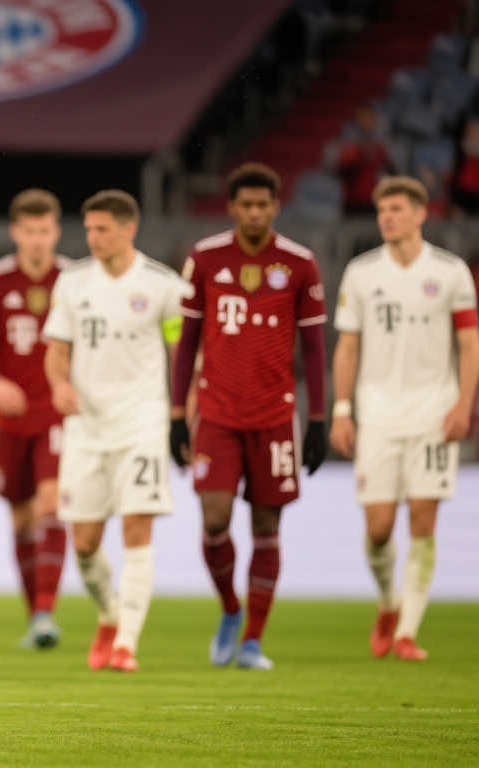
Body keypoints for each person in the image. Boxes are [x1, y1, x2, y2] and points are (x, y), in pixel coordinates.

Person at [170, 163, 329, 670]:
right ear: (232, 207)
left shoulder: (299, 264)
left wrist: (319, 418)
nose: (255, 213)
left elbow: (314, 348)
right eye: (247, 205)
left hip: (274, 416)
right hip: (217, 414)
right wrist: (176, 413)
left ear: (276, 207)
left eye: (263, 205)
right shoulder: (205, 258)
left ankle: (254, 641)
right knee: (215, 519)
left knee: (266, 525)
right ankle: (230, 610)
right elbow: (187, 341)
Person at [330, 176, 478, 661]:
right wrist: (343, 409)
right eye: (382, 210)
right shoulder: (361, 273)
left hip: (434, 411)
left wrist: (464, 404)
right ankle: (388, 603)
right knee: (377, 528)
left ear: (420, 214)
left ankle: (408, 632)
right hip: (377, 414)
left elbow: (469, 344)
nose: (387, 218)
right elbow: (347, 347)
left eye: (396, 209)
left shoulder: (451, 272)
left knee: (423, 518)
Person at [43, 189, 189, 672]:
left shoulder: (163, 286)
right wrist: (59, 385)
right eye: (89, 228)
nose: (93, 237)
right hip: (86, 426)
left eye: (102, 229)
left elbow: (181, 354)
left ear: (129, 228)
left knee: (136, 528)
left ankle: (126, 642)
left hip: (142, 422)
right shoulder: (72, 283)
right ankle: (109, 615)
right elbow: (56, 351)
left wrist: (183, 412)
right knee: (84, 544)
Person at [0, 188, 70, 649]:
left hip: (55, 413)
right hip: (11, 418)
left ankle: (46, 612)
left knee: (52, 504)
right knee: (22, 518)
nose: (37, 239)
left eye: (44, 230)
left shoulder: (73, 280)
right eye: (29, 231)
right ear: (16, 232)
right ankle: (35, 617)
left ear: (56, 231)